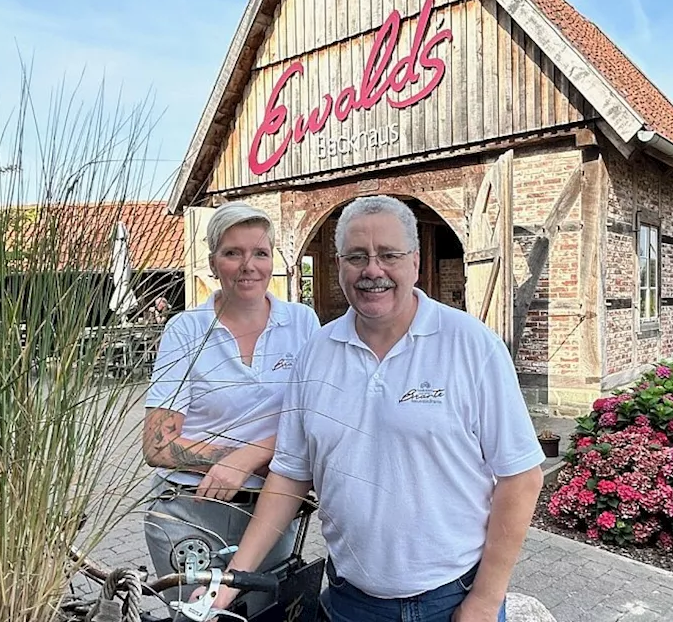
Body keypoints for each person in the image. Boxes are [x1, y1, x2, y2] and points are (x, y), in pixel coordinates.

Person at [204, 195, 545, 622]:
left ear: (415, 263)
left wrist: (484, 600)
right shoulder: (315, 353)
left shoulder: (471, 346)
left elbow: (521, 477)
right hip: (349, 600)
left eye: (388, 255)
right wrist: (234, 576)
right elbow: (291, 473)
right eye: (357, 257)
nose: (372, 271)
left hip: (451, 601)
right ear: (340, 264)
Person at [142, 201, 320, 616]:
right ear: (212, 262)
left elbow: (314, 420)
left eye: (260, 253)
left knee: (263, 614)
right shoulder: (186, 329)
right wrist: (241, 460)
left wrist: (248, 457)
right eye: (232, 252)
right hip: (188, 506)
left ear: (273, 259)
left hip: (269, 507)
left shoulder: (302, 323)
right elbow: (157, 445)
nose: (248, 265)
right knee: (197, 616)